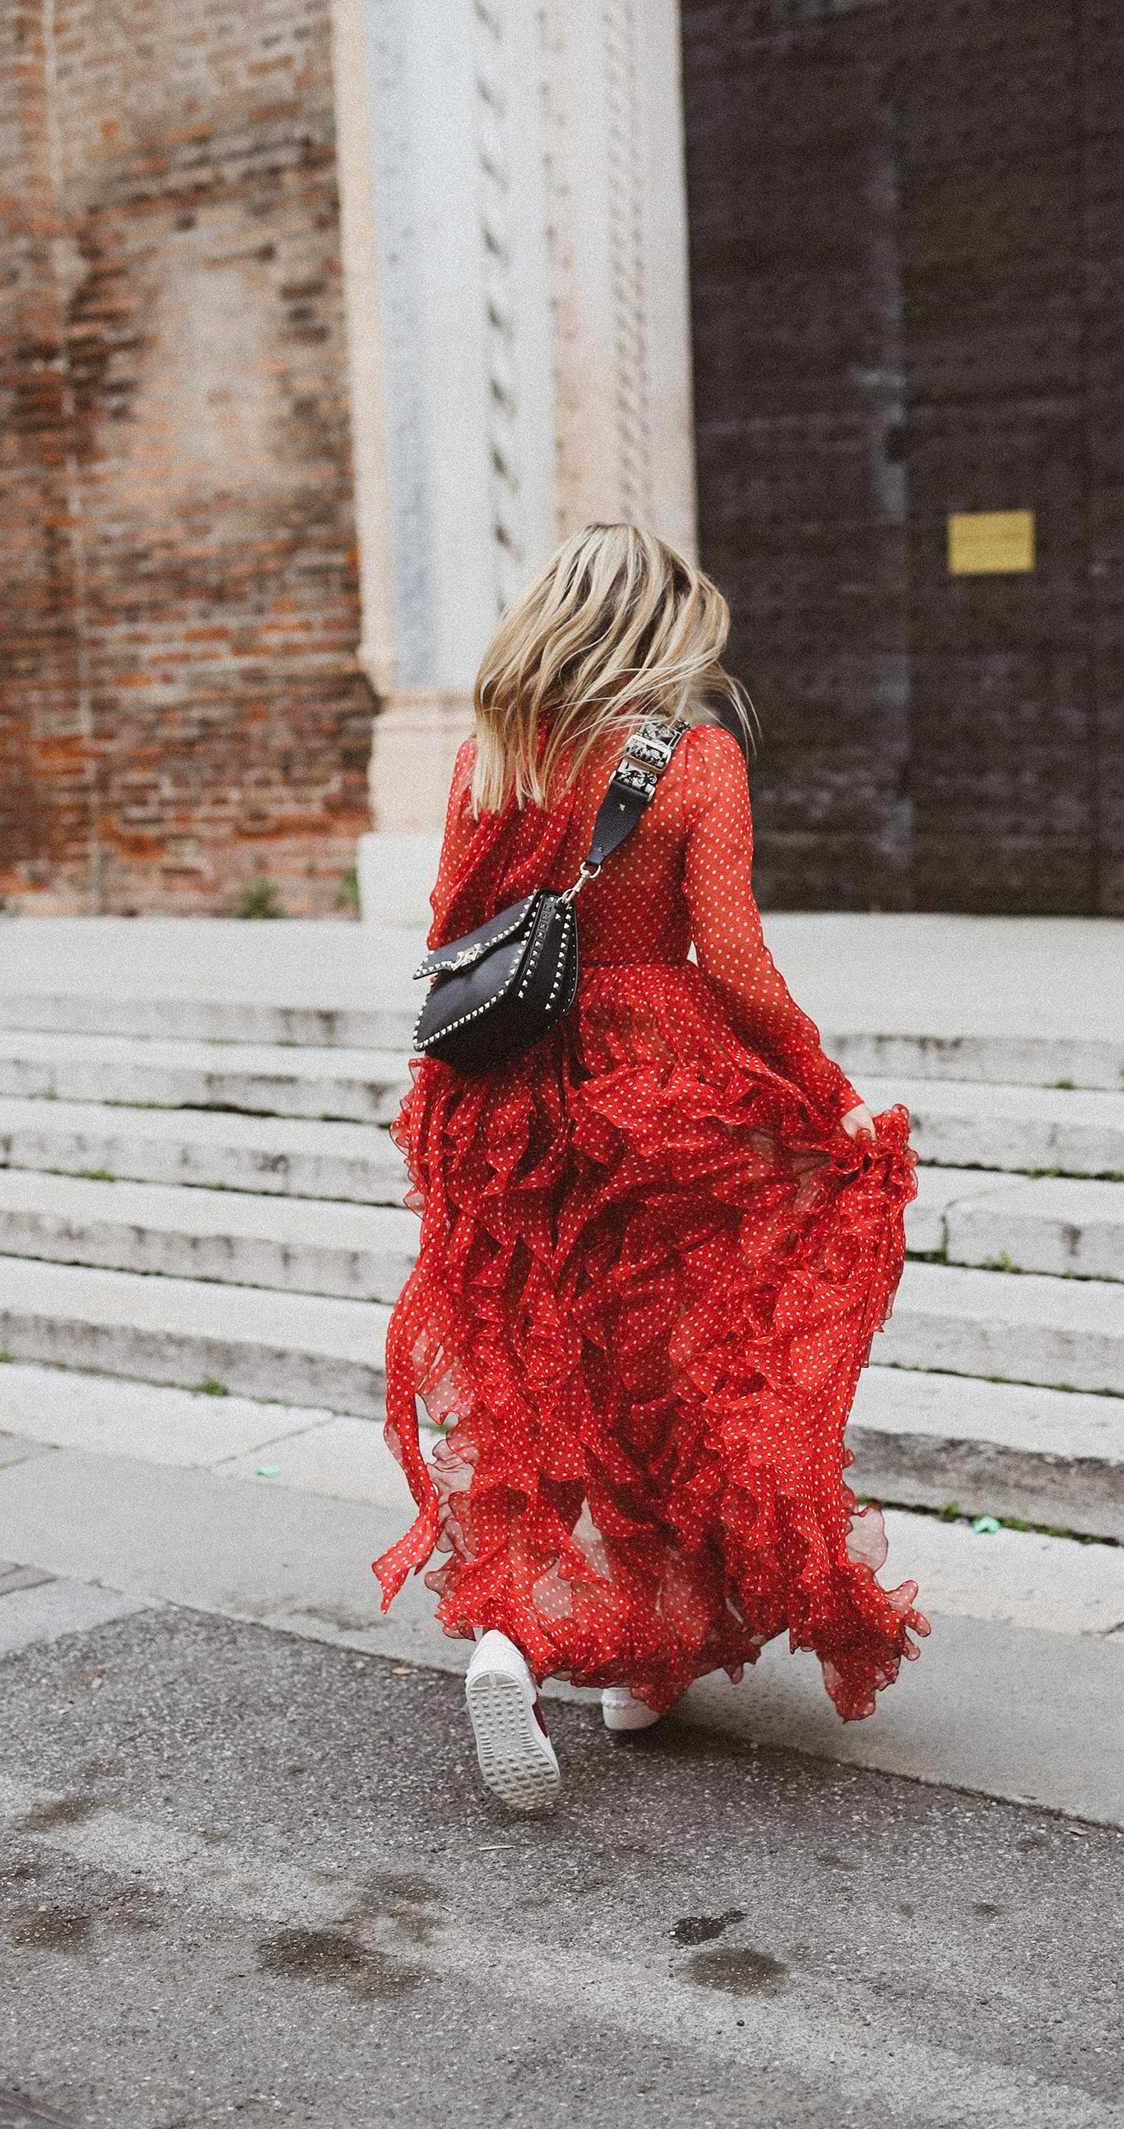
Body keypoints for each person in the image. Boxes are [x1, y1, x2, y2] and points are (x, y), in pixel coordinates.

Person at [374, 523, 928, 1812]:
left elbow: (457, 938)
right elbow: (730, 961)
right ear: (660, 630)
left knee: (537, 1374)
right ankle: (643, 1658)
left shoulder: (489, 757)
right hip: (658, 1084)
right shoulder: (696, 758)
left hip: (512, 1096)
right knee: (684, 1370)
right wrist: (831, 1098)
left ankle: (541, 1644)